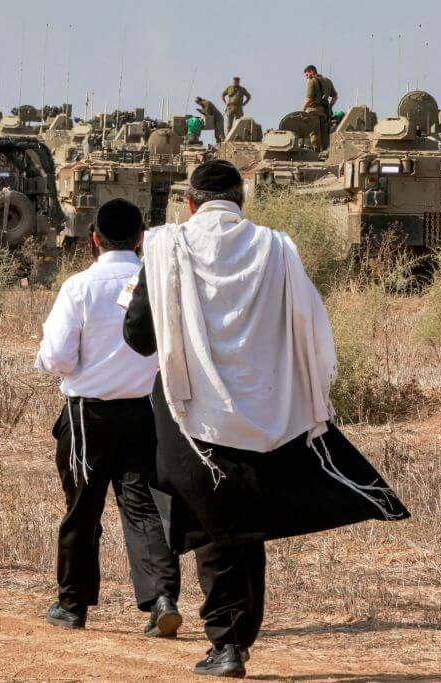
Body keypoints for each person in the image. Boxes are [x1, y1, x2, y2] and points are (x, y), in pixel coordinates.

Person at [123, 160, 409, 678]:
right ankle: (237, 638)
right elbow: (308, 324)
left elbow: (139, 337)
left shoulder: (166, 247)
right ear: (242, 202)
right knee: (246, 524)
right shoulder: (278, 247)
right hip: (266, 406)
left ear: (190, 203)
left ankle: (226, 644)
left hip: (192, 412)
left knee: (215, 526)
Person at [35, 198, 182, 637]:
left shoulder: (78, 287)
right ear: (141, 238)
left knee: (83, 510)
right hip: (145, 411)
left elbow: (58, 357)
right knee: (144, 510)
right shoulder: (157, 285)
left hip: (88, 415)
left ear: (93, 239)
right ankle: (163, 599)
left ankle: (73, 605)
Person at [302, 65, 338, 152]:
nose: (307, 77)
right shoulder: (328, 81)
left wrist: (303, 110)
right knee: (325, 133)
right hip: (324, 112)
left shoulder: (312, 81)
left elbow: (309, 99)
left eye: (307, 75)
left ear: (311, 72)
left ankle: (316, 152)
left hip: (313, 111)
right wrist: (330, 106)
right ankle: (325, 152)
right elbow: (335, 97)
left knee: (314, 132)